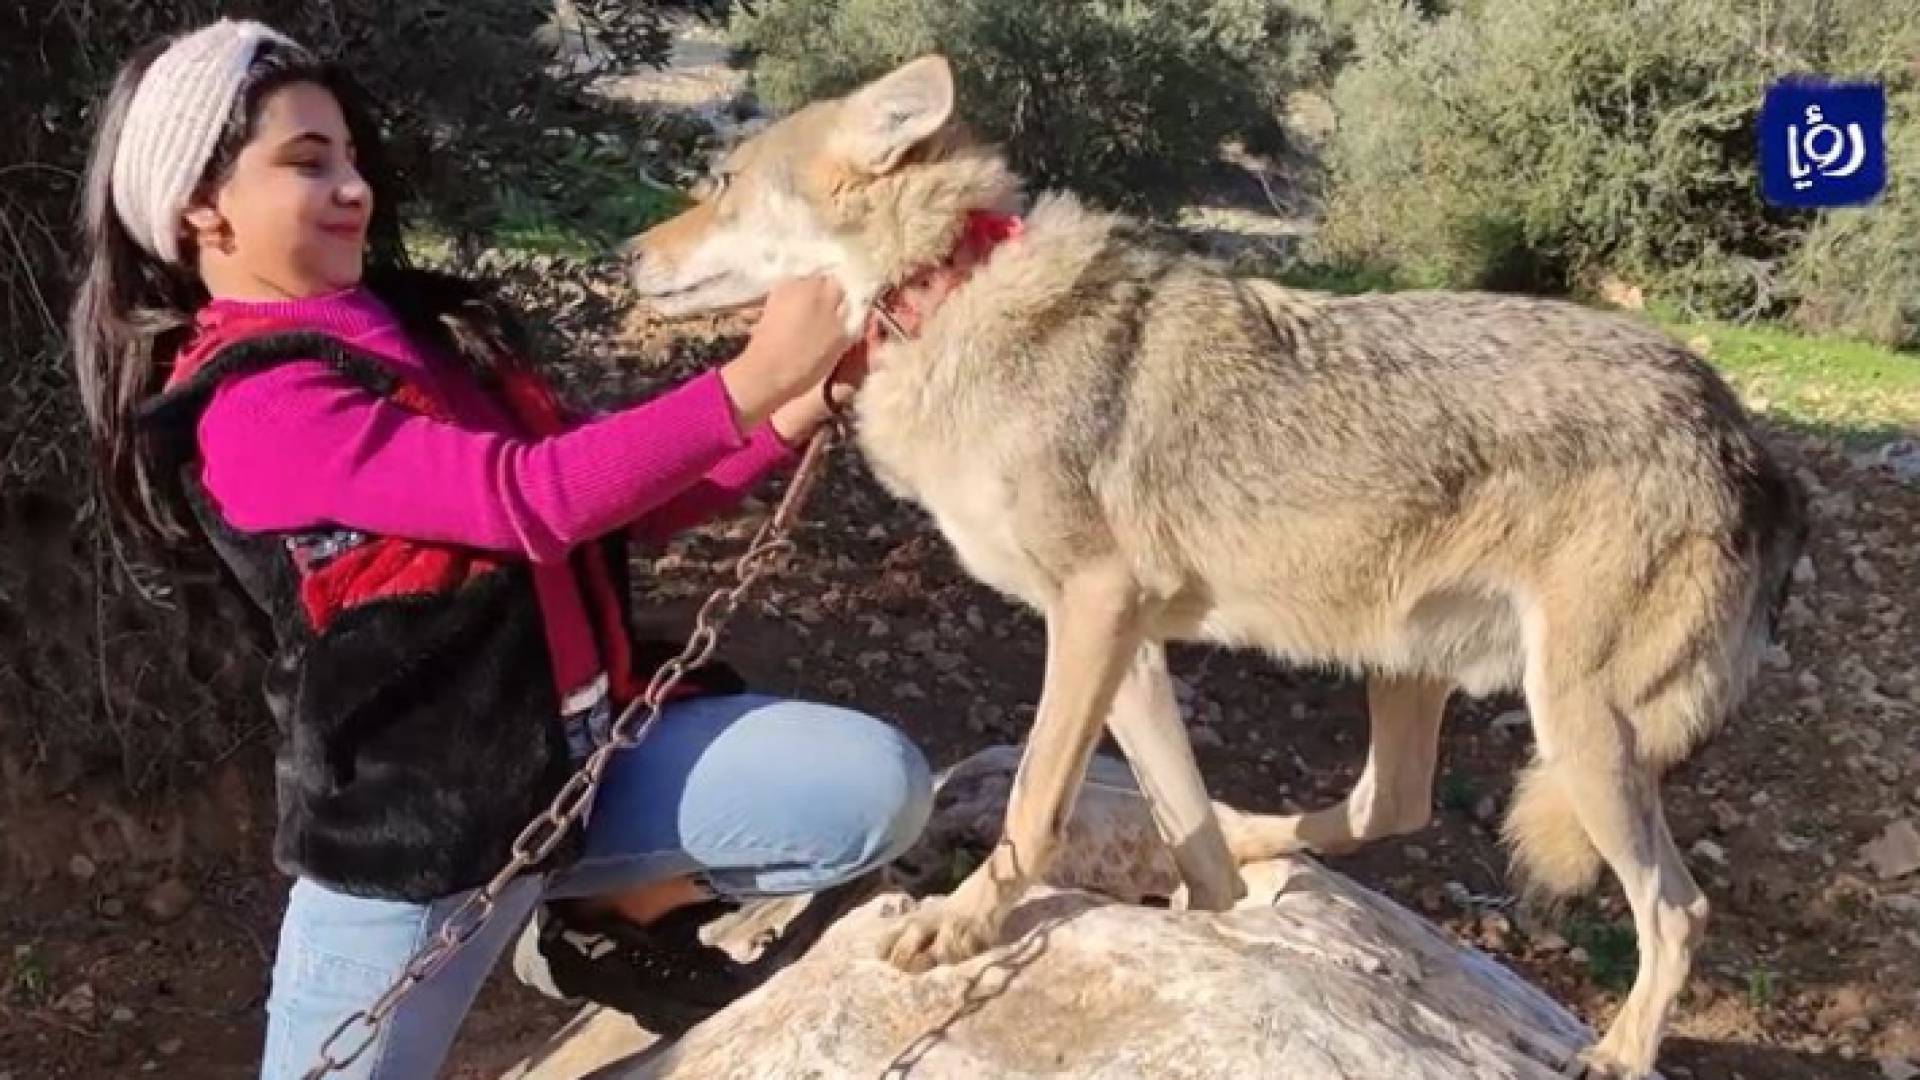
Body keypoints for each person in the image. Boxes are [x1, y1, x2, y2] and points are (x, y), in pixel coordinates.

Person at [68, 19, 932, 1079]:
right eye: (305, 162)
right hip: (416, 854)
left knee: (871, 786)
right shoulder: (251, 403)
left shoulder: (415, 332)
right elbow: (529, 500)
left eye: (349, 157)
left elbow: (611, 503)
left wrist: (796, 410)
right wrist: (755, 375)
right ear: (200, 206)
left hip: (577, 775)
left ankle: (607, 913)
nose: (353, 187)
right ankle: (553, 914)